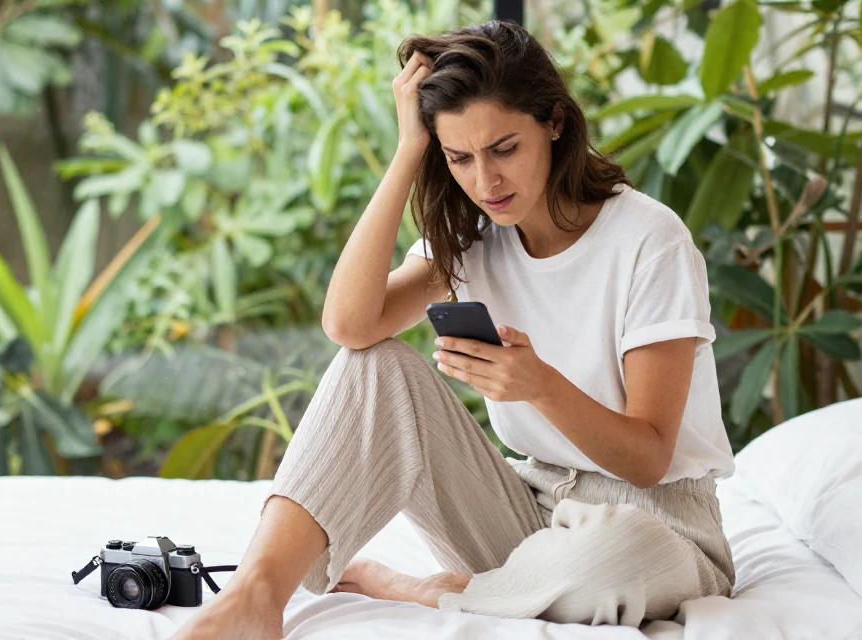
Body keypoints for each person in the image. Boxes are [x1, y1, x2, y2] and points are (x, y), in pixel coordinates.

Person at [170, 19, 736, 640]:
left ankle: (438, 591)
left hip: (659, 531)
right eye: (459, 157)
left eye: (504, 149)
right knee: (374, 364)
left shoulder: (649, 241)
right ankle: (256, 595)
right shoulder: (474, 237)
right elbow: (348, 325)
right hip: (527, 515)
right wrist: (407, 152)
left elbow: (650, 459)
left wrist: (540, 385)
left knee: (609, 559)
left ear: (553, 121)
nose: (485, 182)